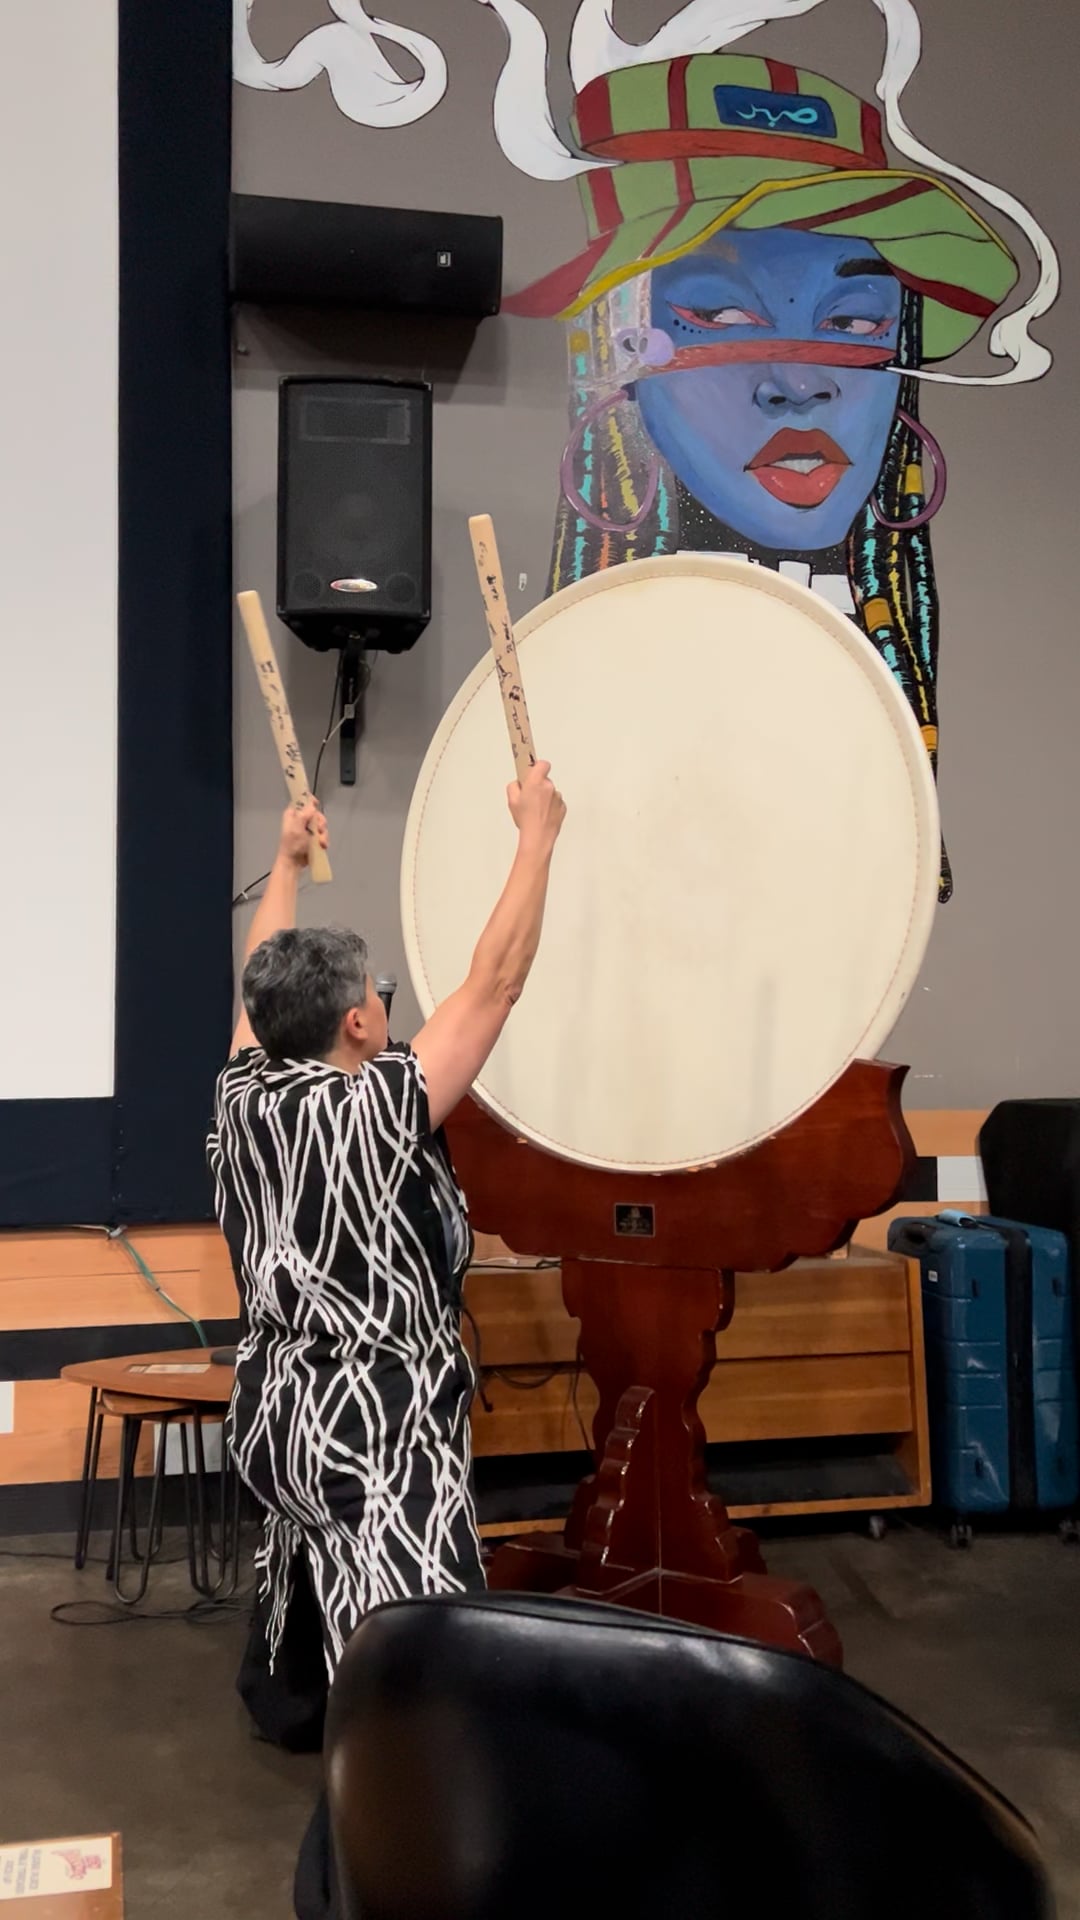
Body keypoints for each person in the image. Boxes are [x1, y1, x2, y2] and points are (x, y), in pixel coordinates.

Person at [207, 761, 565, 1919]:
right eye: (382, 997)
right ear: (359, 1021)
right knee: (421, 1675)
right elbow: (498, 980)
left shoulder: (246, 1099)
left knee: (354, 1654)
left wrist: (290, 866)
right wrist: (537, 838)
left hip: (278, 1420)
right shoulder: (372, 1108)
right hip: (378, 1437)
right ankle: (378, 1883)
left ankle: (360, 1837)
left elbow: (253, 999)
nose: (394, 1009)